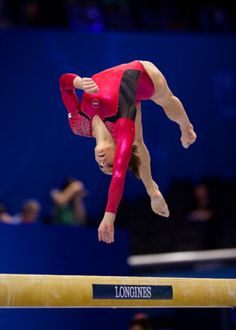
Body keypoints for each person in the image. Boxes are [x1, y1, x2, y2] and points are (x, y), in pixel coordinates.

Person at [59, 60, 197, 244]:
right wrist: (109, 218)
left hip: (123, 87)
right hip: (142, 75)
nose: (102, 162)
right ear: (118, 150)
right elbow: (119, 174)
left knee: (140, 136)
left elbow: (63, 85)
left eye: (101, 166)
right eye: (109, 164)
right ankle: (186, 128)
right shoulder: (123, 128)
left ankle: (153, 188)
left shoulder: (78, 125)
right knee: (164, 102)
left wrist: (77, 82)